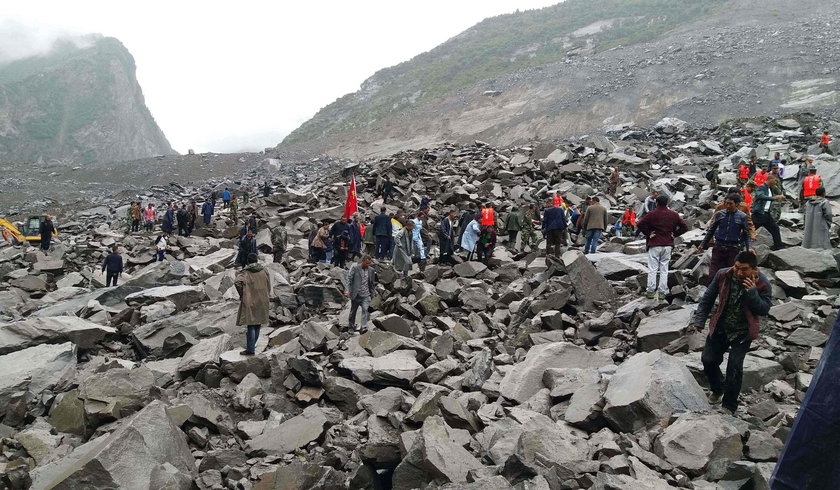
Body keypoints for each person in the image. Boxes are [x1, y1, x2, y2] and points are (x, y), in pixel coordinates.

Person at [690, 251, 771, 413]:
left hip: (743, 332)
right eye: (737, 267)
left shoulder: (763, 283)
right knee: (708, 360)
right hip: (721, 326)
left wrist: (752, 293)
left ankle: (729, 405)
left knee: (734, 367)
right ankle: (718, 388)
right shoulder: (723, 275)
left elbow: (764, 309)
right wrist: (699, 320)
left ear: (755, 269)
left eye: (744, 269)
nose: (739, 272)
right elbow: (708, 298)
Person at [637, 195, 688, 299]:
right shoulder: (674, 214)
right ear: (667, 203)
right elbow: (684, 227)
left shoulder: (652, 214)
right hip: (668, 244)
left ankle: (650, 291)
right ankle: (662, 292)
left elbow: (640, 224)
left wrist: (648, 233)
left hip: (655, 243)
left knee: (653, 269)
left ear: (656, 203)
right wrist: (675, 234)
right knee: (664, 269)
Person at [699, 193, 753, 283]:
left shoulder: (742, 216)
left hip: (733, 248)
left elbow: (746, 234)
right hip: (718, 247)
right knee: (713, 273)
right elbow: (711, 230)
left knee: (729, 274)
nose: (728, 206)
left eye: (730, 204)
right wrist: (702, 244)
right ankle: (711, 292)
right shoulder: (720, 214)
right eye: (726, 203)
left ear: (737, 204)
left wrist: (749, 247)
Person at [235, 252, 271, 356]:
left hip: (250, 299)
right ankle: (252, 346)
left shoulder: (245, 272)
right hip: (262, 299)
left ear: (248, 261)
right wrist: (266, 294)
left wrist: (242, 294)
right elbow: (268, 284)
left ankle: (250, 349)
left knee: (251, 324)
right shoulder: (264, 270)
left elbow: (237, 282)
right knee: (258, 324)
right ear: (256, 260)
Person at [752, 174, 785, 250]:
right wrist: (774, 198)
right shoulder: (762, 187)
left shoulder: (770, 188)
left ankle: (779, 247)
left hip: (766, 214)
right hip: (759, 214)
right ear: (770, 179)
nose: (775, 182)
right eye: (775, 180)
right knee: (750, 230)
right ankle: (739, 243)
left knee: (775, 228)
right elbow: (760, 196)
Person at [345, 255, 376, 333]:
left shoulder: (371, 270)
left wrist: (372, 293)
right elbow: (349, 279)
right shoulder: (355, 268)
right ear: (363, 261)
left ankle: (363, 327)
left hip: (366, 294)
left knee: (365, 310)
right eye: (367, 263)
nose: (368, 265)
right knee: (353, 311)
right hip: (356, 294)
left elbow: (372, 283)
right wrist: (348, 290)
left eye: (369, 264)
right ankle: (351, 327)